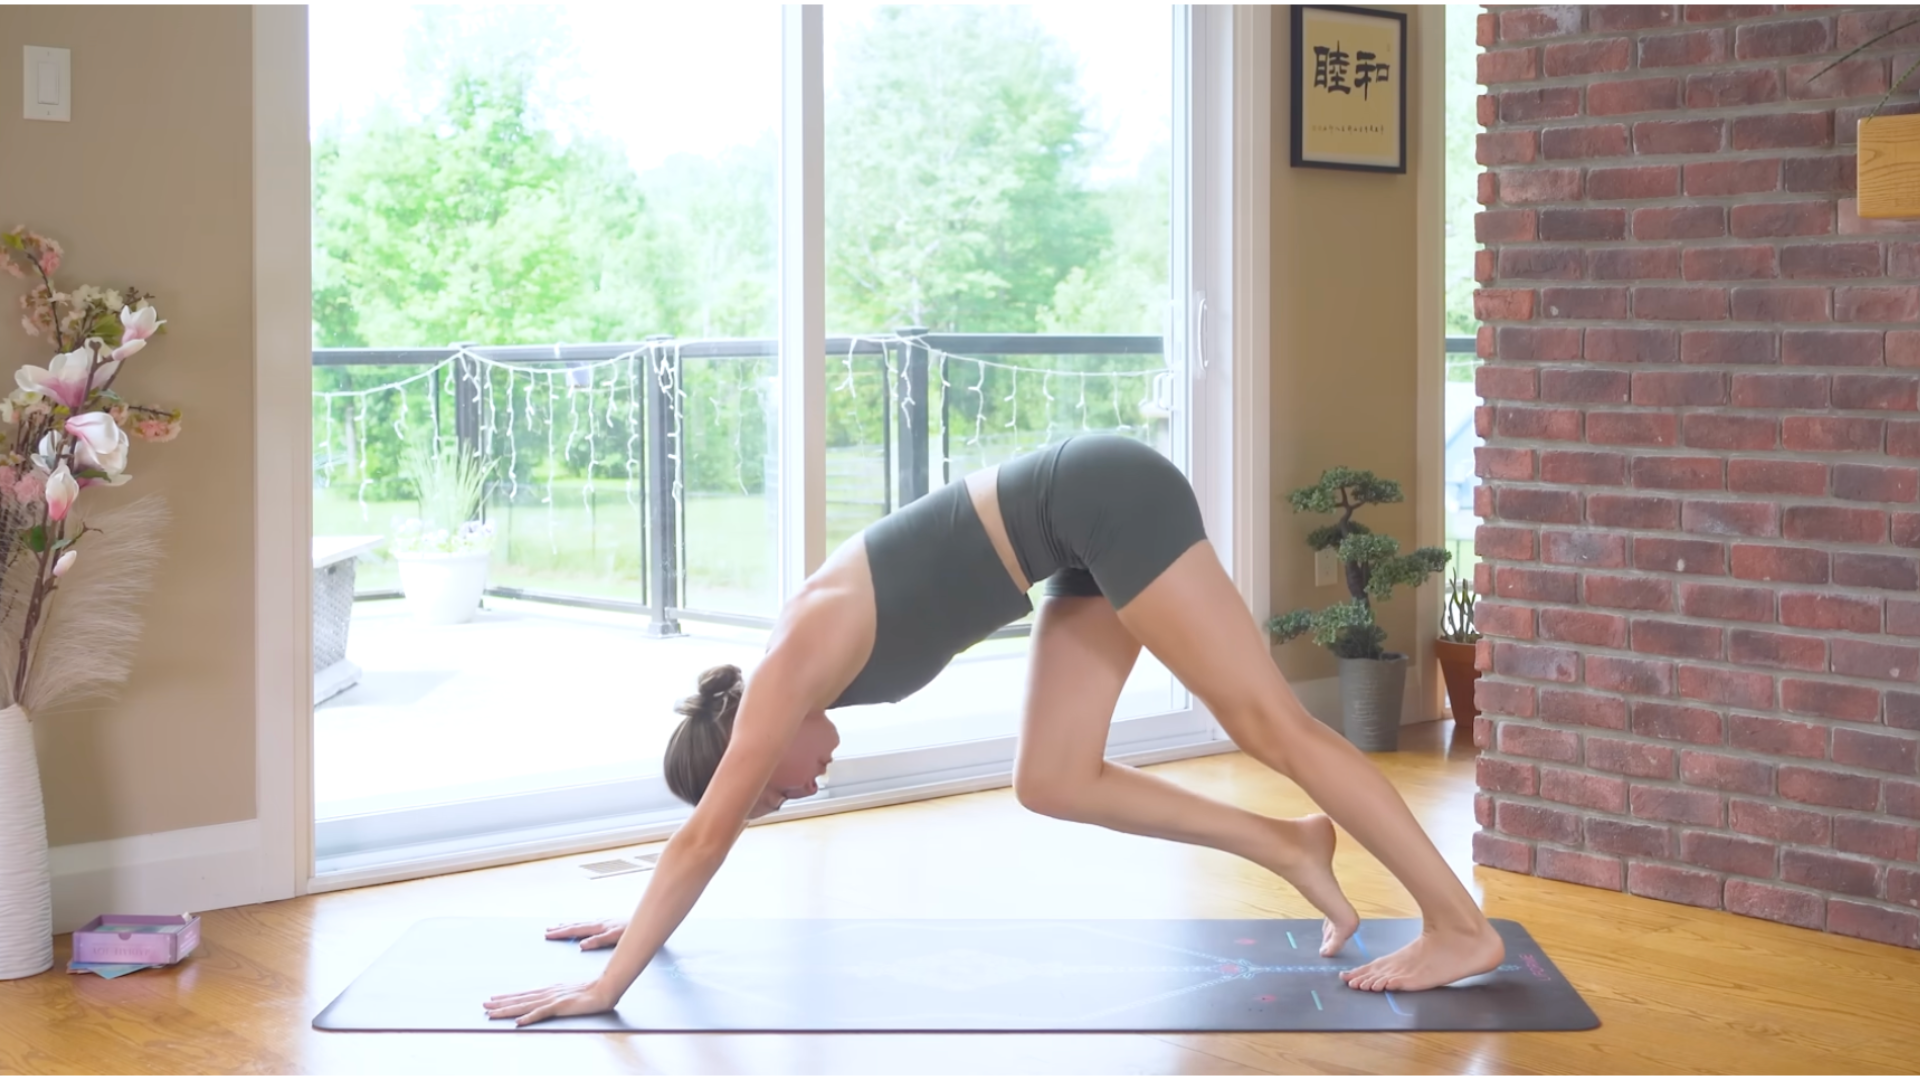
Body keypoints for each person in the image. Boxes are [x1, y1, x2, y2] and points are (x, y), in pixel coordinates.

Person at [482, 434, 1503, 1026]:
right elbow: (718, 825)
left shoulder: (790, 667)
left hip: (1102, 497)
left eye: (782, 789)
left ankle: (1458, 925)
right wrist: (644, 923)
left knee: (1268, 723)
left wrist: (606, 987)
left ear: (754, 740)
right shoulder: (785, 696)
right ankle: (1290, 842)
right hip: (1071, 543)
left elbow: (707, 829)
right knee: (1054, 777)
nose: (808, 787)